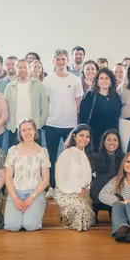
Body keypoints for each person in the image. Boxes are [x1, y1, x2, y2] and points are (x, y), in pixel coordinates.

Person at [43, 49, 84, 188]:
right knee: (51, 158)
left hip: (70, 125)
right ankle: (52, 186)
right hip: (52, 124)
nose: (61, 62)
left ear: (68, 61)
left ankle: (69, 184)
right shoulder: (48, 80)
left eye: (63, 59)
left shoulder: (75, 80)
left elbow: (78, 104)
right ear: (53, 61)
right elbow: (46, 102)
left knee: (70, 158)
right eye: (58, 59)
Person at [3, 119, 50, 232]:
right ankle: (21, 215)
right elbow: (8, 178)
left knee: (30, 226)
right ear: (20, 133)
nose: (27, 132)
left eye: (30, 129)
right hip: (17, 193)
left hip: (35, 193)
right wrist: (15, 199)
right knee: (12, 226)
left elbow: (45, 179)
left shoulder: (42, 151)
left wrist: (31, 197)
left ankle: (32, 215)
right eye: (24, 130)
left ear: (35, 131)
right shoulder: (13, 150)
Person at [53, 124, 95, 231]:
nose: (84, 139)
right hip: (66, 191)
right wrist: (77, 190)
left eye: (87, 136)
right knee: (80, 213)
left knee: (88, 217)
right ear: (74, 136)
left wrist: (86, 189)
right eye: (81, 135)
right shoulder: (66, 154)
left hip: (83, 192)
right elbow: (61, 180)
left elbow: (88, 178)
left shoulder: (87, 154)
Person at [4, 59, 49, 147]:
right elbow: (5, 108)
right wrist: (9, 125)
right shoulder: (10, 87)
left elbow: (45, 108)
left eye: (25, 67)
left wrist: (38, 125)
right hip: (15, 130)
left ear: (29, 69)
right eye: (20, 67)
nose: (23, 70)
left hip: (33, 130)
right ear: (16, 70)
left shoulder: (38, 85)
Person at [79, 67, 123, 152]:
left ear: (111, 81)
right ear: (97, 81)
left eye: (107, 78)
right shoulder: (90, 95)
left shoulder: (115, 96)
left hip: (110, 137)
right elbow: (83, 116)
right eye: (101, 78)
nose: (104, 81)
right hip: (93, 136)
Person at [90, 129, 125, 219]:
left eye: (115, 140)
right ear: (104, 142)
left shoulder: (124, 157)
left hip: (115, 194)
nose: (111, 142)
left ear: (119, 142)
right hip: (97, 193)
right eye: (109, 139)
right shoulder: (96, 157)